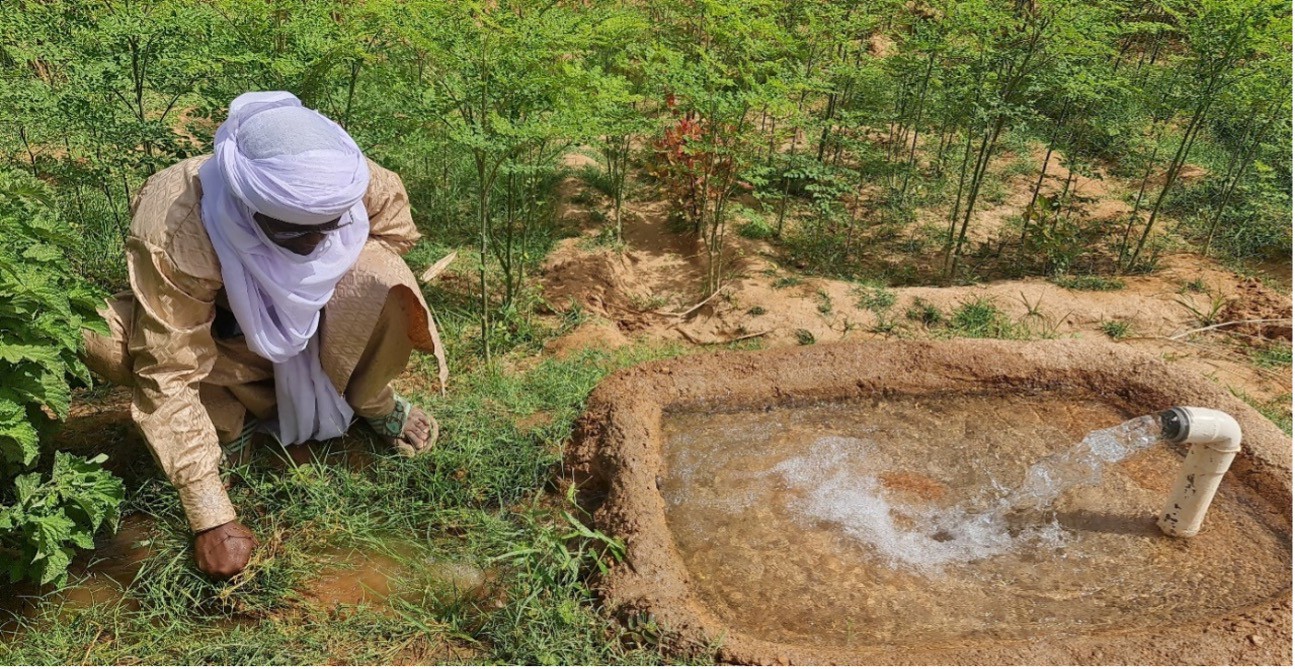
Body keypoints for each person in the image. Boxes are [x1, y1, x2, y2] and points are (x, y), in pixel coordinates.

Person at [82, 91, 448, 580]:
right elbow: (168, 369)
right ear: (249, 209)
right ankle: (228, 426)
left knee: (384, 273)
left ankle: (372, 400)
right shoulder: (179, 224)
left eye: (328, 228)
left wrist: (307, 294)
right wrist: (210, 515)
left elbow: (396, 233)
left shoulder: (352, 178)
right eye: (294, 234)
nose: (317, 242)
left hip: (316, 330)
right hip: (222, 340)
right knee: (101, 335)